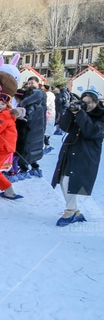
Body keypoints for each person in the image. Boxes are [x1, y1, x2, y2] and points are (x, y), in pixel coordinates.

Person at [51, 90, 104, 226]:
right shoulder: (80, 111)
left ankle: (70, 211)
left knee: (70, 181)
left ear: (97, 102)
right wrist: (70, 111)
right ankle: (75, 211)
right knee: (63, 179)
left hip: (86, 153)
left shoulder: (101, 116)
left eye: (89, 103)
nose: (87, 105)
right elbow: (64, 127)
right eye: (84, 102)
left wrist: (80, 113)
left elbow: (91, 132)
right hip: (70, 149)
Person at [17, 75, 45, 178]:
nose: (30, 85)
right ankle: (34, 167)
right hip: (37, 124)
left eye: (32, 83)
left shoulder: (38, 93)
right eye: (29, 83)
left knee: (27, 146)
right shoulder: (32, 95)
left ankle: (25, 168)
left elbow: (27, 112)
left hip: (32, 125)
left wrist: (21, 105)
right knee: (33, 146)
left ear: (38, 83)